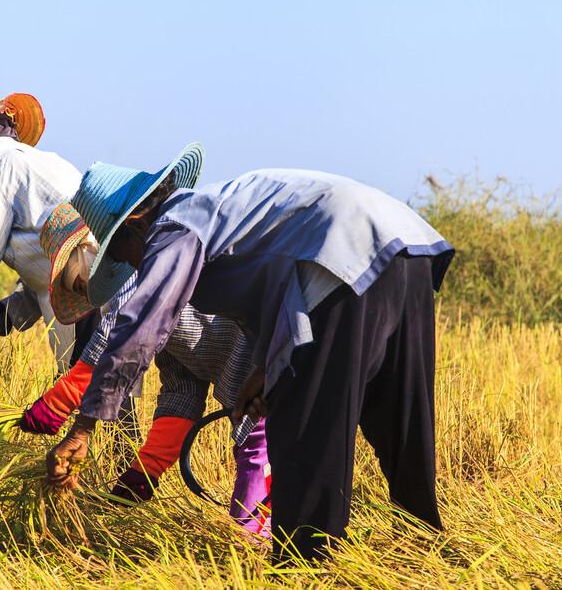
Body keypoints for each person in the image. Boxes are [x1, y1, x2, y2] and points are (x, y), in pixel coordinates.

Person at [47, 143, 454, 560]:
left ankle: (303, 569)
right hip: (406, 243)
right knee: (400, 417)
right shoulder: (218, 209)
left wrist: (83, 429)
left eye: (120, 253)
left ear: (135, 222)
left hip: (342, 255)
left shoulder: (176, 227)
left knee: (305, 435)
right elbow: (276, 285)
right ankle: (425, 552)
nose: (132, 266)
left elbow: (142, 325)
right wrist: (264, 367)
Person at [19, 202, 270, 534]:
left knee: (256, 456)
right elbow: (182, 387)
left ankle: (257, 556)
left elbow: (113, 345)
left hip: (254, 352)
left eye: (73, 278)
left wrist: (57, 404)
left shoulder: (140, 274)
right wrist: (145, 471)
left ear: (91, 251)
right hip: (232, 364)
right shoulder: (147, 296)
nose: (80, 290)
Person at [0, 84, 140, 437]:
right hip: (116, 291)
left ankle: (106, 489)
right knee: (113, 415)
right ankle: (114, 488)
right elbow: (42, 266)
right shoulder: (43, 162)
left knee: (96, 415)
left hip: (88, 300)